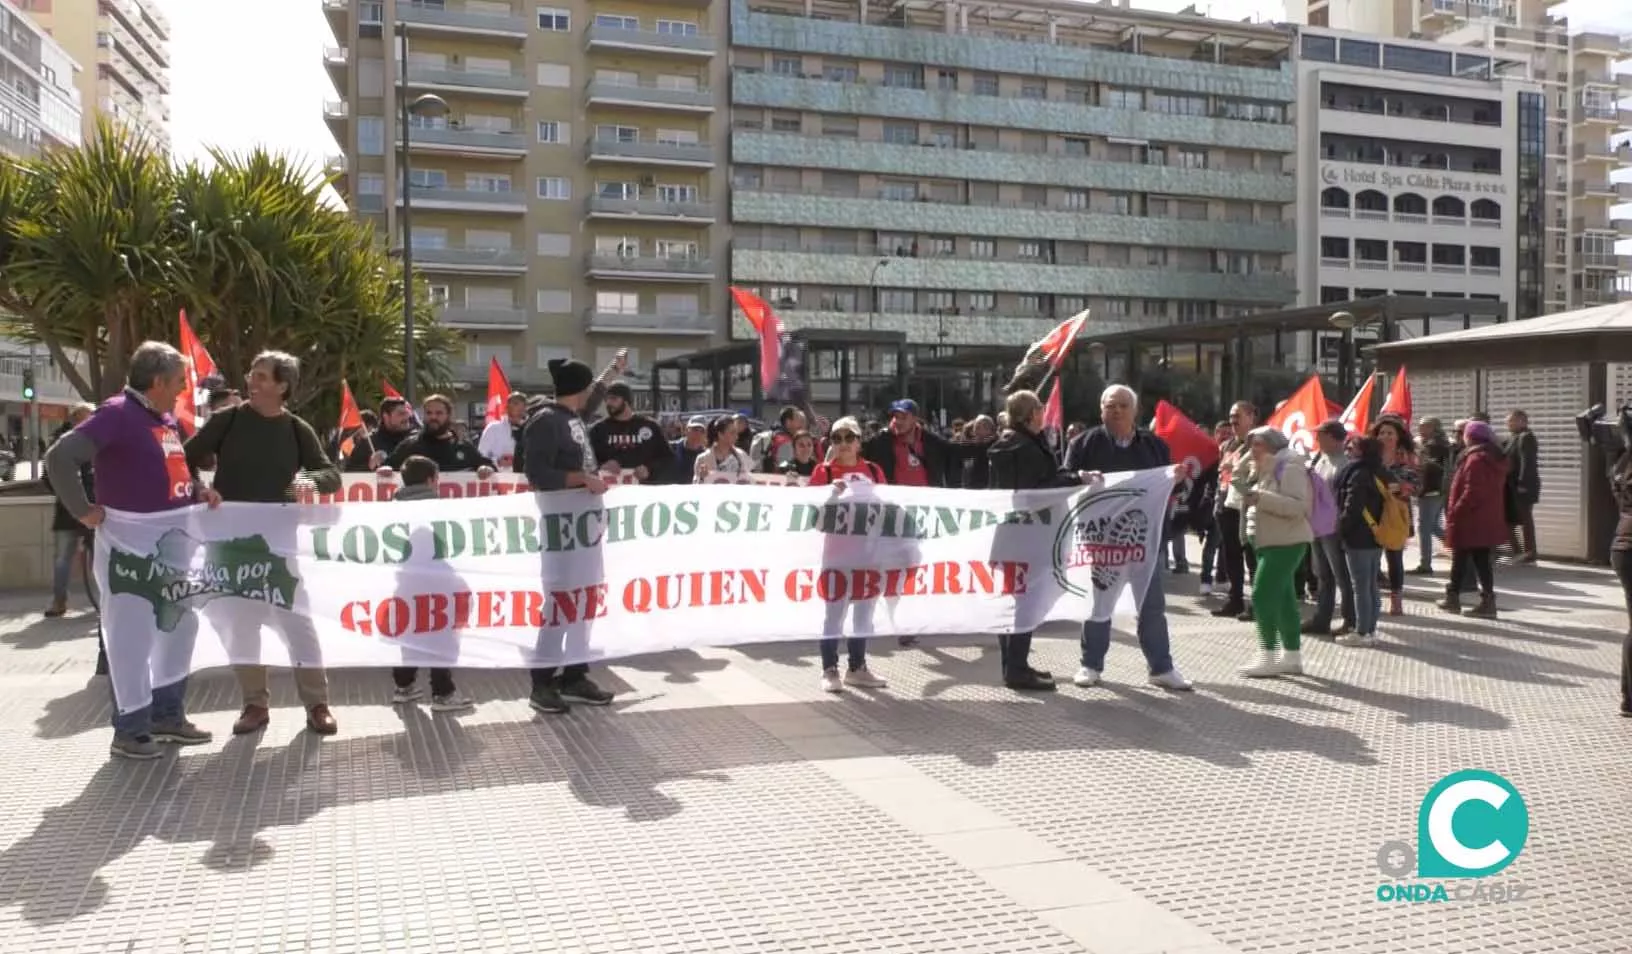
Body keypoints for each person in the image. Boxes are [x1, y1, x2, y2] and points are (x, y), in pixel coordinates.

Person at [44, 341, 222, 759]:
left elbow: (172, 473)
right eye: (178, 382)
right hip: (129, 549)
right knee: (131, 637)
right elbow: (59, 458)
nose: (182, 389)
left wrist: (197, 490)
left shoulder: (162, 418)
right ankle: (130, 729)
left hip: (170, 547)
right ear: (157, 381)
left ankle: (166, 715)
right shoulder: (116, 415)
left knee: (180, 628)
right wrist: (81, 510)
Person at [184, 350, 344, 736]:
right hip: (230, 544)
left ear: (282, 386)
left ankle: (317, 704)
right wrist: (199, 487)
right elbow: (182, 458)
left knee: (298, 625)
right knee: (241, 625)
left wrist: (310, 482)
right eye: (252, 374)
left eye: (261, 377)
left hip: (279, 546)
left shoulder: (296, 429)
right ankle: (254, 705)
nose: (252, 383)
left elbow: (330, 475)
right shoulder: (229, 420)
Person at [1064, 384, 1193, 692]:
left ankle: (1161, 667)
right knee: (1097, 605)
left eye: (1123, 405)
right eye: (1111, 406)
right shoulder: (1083, 444)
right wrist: (1078, 478)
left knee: (1151, 606)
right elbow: (1064, 481)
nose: (1117, 410)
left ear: (1135, 411)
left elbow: (1166, 490)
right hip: (1101, 543)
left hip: (1144, 543)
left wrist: (1176, 480)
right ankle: (1090, 664)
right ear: (1101, 410)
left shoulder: (1154, 446)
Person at [520, 357, 616, 714]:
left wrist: (611, 373)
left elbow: (592, 398)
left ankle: (575, 674)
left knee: (585, 599)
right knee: (560, 602)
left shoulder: (572, 417)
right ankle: (542, 683)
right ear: (581, 387)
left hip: (583, 530)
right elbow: (537, 471)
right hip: (561, 531)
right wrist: (582, 479)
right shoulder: (546, 421)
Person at [987, 389, 1085, 692]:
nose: (1044, 412)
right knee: (1025, 603)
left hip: (1009, 535)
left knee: (1013, 601)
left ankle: (1013, 666)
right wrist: (1077, 478)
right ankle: (1017, 670)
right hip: (1028, 536)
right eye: (1040, 408)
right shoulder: (1026, 447)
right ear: (1030, 414)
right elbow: (1040, 488)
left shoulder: (1006, 444)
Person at [806, 417, 889, 692]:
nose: (843, 444)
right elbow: (812, 516)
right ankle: (830, 669)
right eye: (836, 439)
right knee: (834, 614)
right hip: (836, 555)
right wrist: (831, 496)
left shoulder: (874, 471)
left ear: (859, 442)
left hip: (869, 554)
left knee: (864, 613)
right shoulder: (824, 472)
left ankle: (858, 667)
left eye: (848, 438)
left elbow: (887, 509)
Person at [389, 455, 475, 711]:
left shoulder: (390, 506)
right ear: (431, 480)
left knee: (409, 630)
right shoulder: (439, 508)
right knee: (441, 633)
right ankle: (443, 692)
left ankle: (403, 686)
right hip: (436, 580)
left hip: (404, 580)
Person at [1237, 427, 1313, 677]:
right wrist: (1245, 461)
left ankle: (1267, 654)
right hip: (1267, 540)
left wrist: (1261, 498)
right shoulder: (1264, 465)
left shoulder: (1289, 465)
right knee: (1284, 599)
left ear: (1272, 445)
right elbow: (1238, 480)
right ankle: (1292, 657)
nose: (1252, 450)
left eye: (1257, 444)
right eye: (1251, 445)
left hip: (1286, 541)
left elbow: (1298, 507)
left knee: (1262, 595)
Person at [1440, 420, 1509, 619]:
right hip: (1484, 517)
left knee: (1467, 558)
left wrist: (1456, 510)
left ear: (1470, 437)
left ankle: (1463, 598)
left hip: (1470, 518)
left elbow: (1473, 490)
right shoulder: (1492, 457)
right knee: (1473, 559)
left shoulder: (1476, 459)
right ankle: (1466, 597)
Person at [42, 402, 95, 619]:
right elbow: (48, 477)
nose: (92, 421)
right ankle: (59, 600)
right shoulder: (62, 443)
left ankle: (103, 601)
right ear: (76, 419)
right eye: (88, 417)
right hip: (70, 510)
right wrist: (68, 494)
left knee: (99, 557)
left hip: (92, 508)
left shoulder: (95, 440)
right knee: (63, 557)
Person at [1334, 437, 1389, 647]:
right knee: (1370, 585)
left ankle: (1362, 631)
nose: (1348, 449)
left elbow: (1352, 507)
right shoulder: (1381, 471)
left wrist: (1341, 529)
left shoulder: (1358, 473)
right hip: (1377, 534)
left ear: (1363, 451)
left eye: (1352, 446)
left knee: (1361, 586)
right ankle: (1371, 628)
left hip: (1359, 536)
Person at [1306, 420, 1355, 637]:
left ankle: (1349, 619)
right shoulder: (1319, 459)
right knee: (1322, 575)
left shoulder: (1344, 465)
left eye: (1322, 435)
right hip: (1316, 525)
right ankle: (1322, 618)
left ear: (1334, 438)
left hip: (1333, 528)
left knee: (1341, 575)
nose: (1317, 440)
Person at [1212, 402, 1258, 620]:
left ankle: (1258, 604)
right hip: (1227, 505)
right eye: (1231, 416)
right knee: (1231, 557)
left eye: (1237, 416)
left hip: (1248, 507)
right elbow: (1220, 475)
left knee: (1252, 558)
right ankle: (1235, 599)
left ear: (1251, 417)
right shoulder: (1228, 445)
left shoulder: (1259, 443)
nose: (1233, 421)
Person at [1368, 415, 1419, 616]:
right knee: (1371, 558)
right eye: (1381, 433)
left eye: (1390, 433)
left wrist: (1401, 487)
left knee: (1395, 558)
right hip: (1373, 513)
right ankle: (1372, 599)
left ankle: (1396, 600)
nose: (1385, 436)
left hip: (1397, 513)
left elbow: (1416, 485)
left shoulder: (1407, 458)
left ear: (1398, 437)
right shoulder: (1370, 457)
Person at [385, 394, 494, 474]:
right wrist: (384, 470)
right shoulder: (410, 446)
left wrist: (485, 468)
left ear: (449, 415)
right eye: (429, 413)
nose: (433, 417)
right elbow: (386, 468)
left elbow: (487, 466)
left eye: (439, 413)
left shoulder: (463, 446)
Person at [862, 398, 956, 487]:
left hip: (926, 500)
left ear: (915, 419)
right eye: (895, 417)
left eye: (903, 417)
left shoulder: (932, 441)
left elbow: (956, 451)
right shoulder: (880, 441)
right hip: (893, 500)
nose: (898, 421)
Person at [590, 382, 672, 484]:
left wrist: (649, 469)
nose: (609, 403)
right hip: (609, 491)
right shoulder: (598, 429)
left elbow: (668, 459)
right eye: (607, 399)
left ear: (626, 401)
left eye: (614, 398)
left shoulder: (650, 426)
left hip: (643, 490)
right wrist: (601, 466)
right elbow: (586, 461)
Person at [1504, 409, 1540, 563]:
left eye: (1511, 420)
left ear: (1522, 421)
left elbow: (1527, 462)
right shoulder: (1513, 438)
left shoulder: (1526, 438)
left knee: (1525, 519)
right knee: (1509, 519)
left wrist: (1523, 483)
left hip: (1522, 485)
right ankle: (1518, 551)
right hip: (1511, 485)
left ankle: (1529, 553)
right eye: (1508, 421)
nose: (1508, 424)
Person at [344, 396, 417, 471]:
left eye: (407, 413)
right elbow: (349, 472)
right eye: (401, 414)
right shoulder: (368, 443)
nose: (406, 417)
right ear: (386, 416)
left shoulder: (415, 439)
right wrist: (369, 465)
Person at [477, 392, 529, 470]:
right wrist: (497, 461)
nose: (520, 408)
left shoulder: (530, 430)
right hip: (498, 478)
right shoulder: (493, 428)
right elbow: (481, 455)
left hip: (523, 479)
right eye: (515, 403)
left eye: (523, 405)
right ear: (507, 407)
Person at [693, 415, 752, 482]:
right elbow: (696, 486)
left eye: (736, 432)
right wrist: (701, 478)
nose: (736, 436)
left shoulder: (741, 455)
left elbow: (750, 481)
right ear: (720, 435)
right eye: (732, 433)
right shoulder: (703, 458)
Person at [749, 405, 806, 472]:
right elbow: (786, 471)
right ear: (788, 422)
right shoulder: (785, 442)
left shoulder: (769, 436)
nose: (803, 424)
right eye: (800, 421)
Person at [670, 415, 708, 484]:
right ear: (686, 430)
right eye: (695, 430)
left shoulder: (706, 456)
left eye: (702, 431)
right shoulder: (672, 448)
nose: (698, 434)